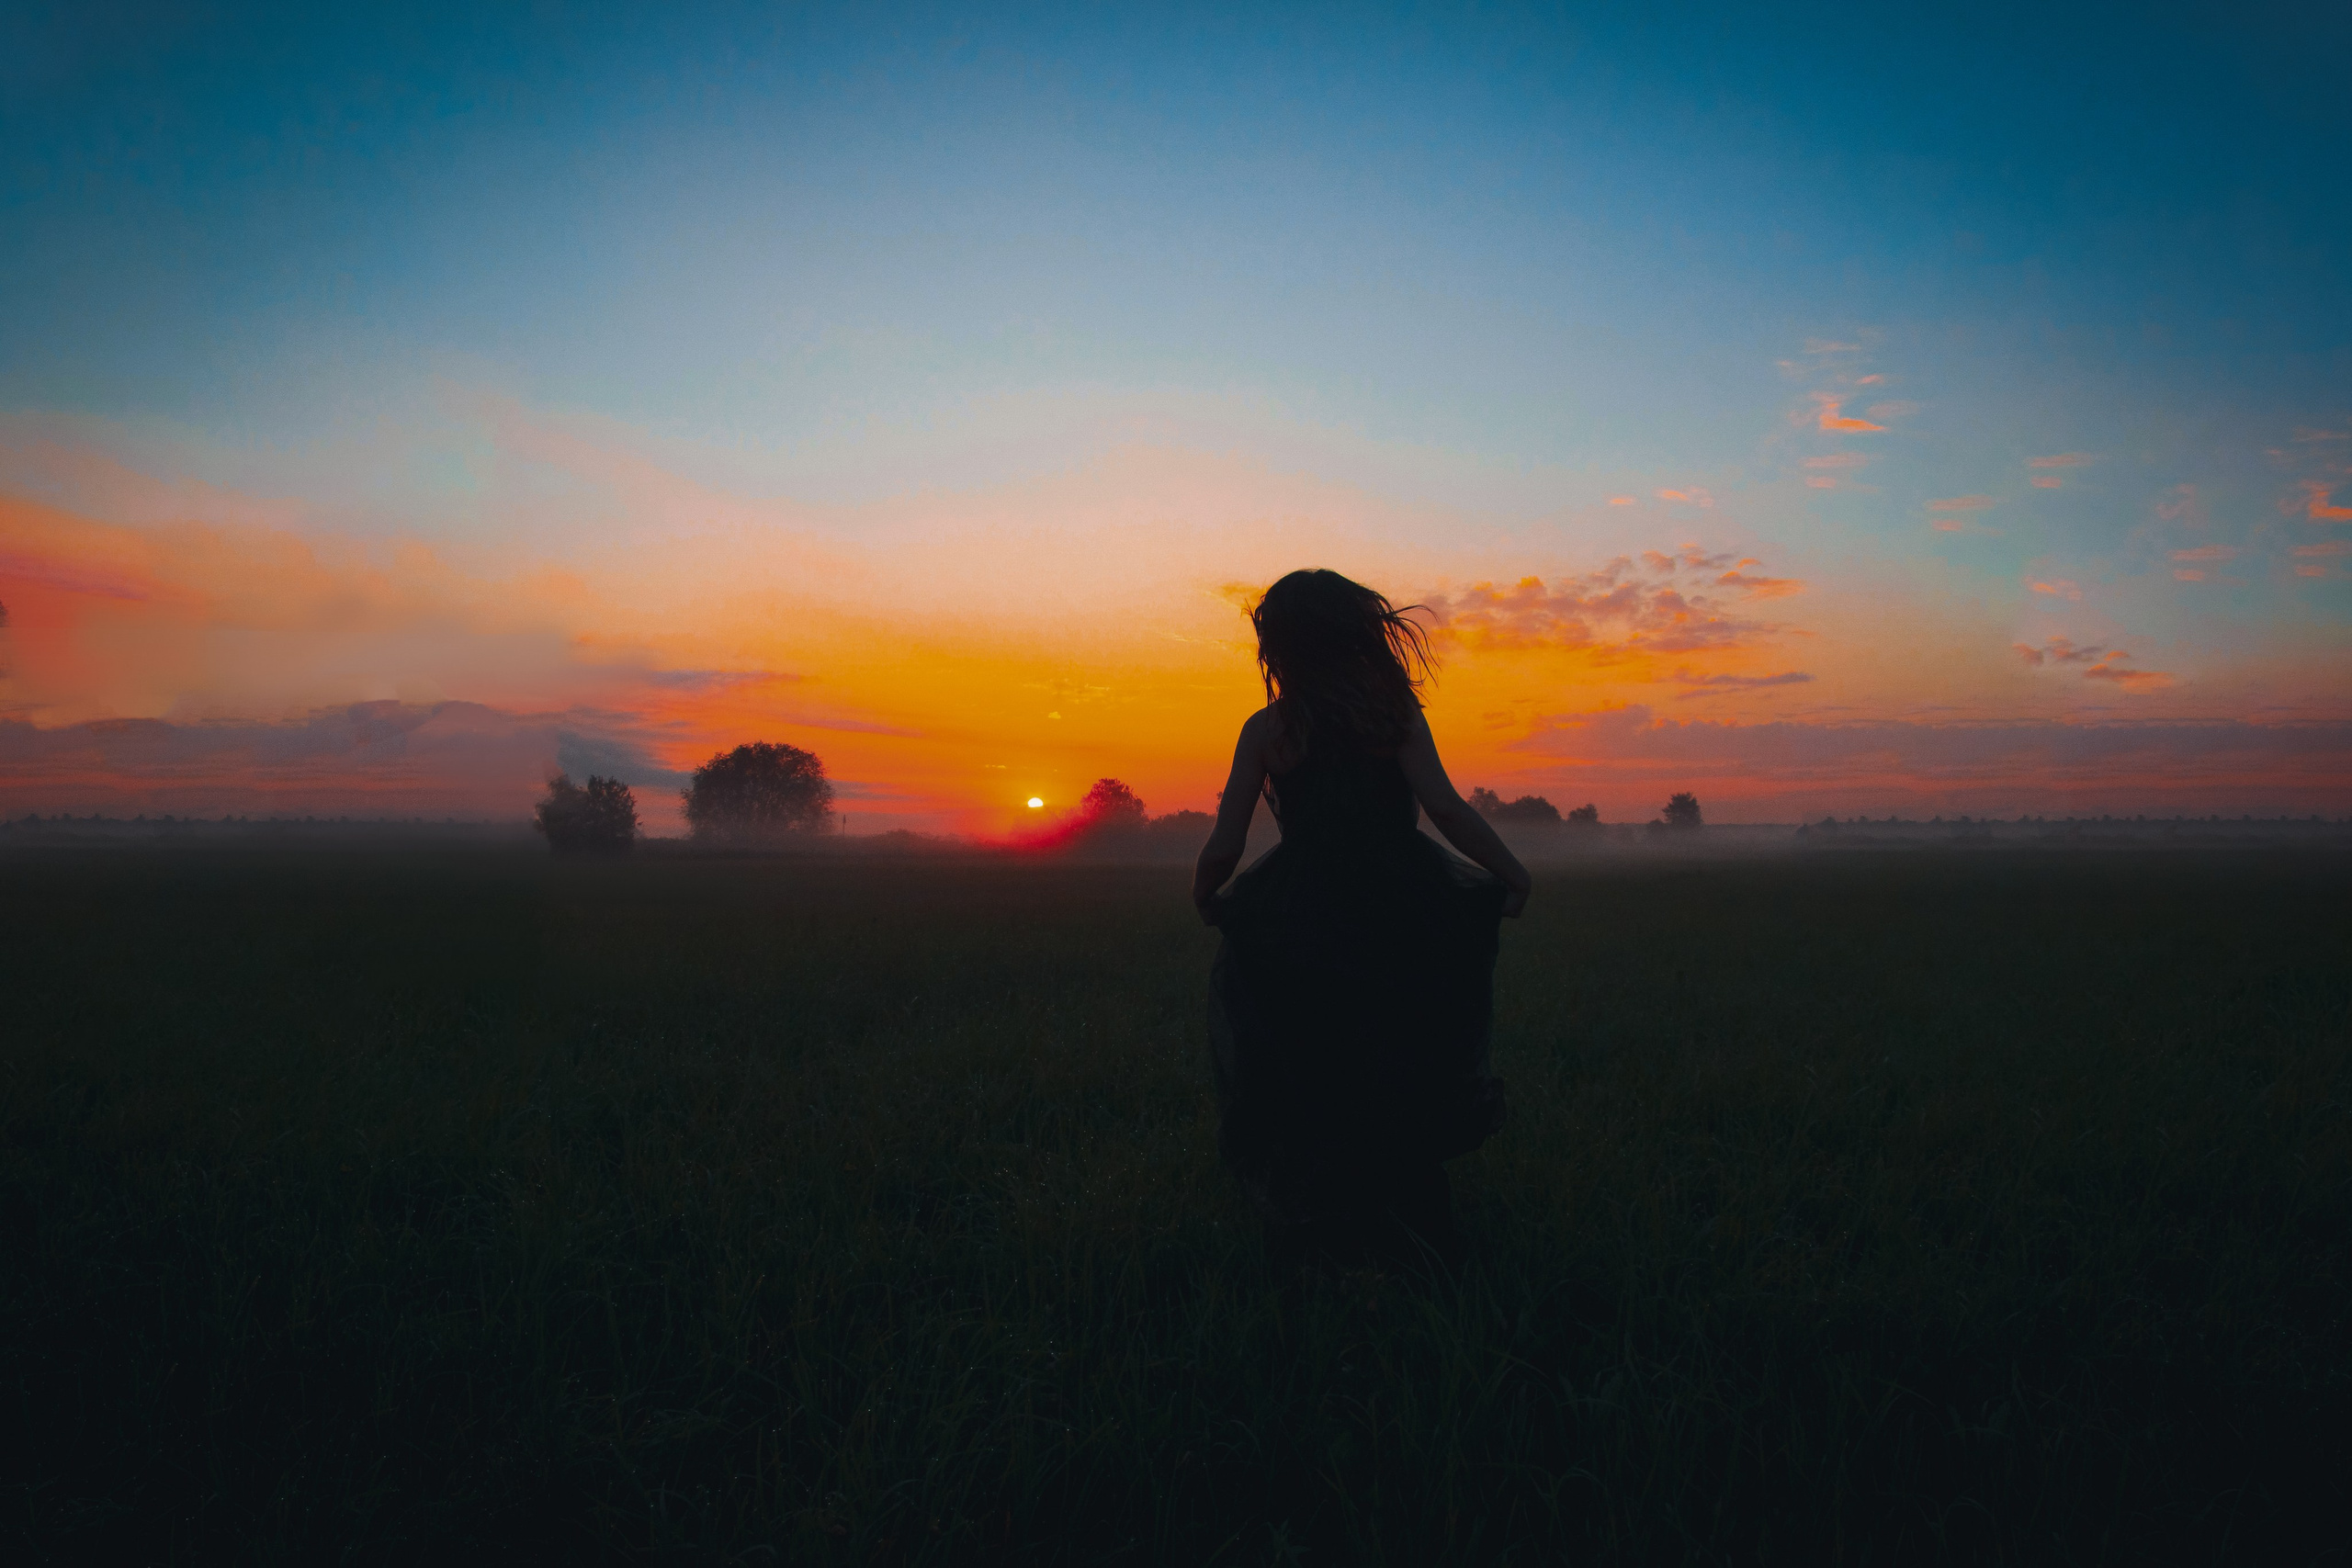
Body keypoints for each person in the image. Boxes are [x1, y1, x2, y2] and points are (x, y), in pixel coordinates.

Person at [1193, 569, 1532, 1269]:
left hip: (1298, 914)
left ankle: (1321, 1234)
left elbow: (1227, 839)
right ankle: (1416, 1233)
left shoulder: (1268, 728)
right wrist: (1511, 871)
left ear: (1280, 645)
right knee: (1400, 1057)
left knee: (1308, 1066)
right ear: (1358, 633)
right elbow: (1446, 809)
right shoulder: (1393, 714)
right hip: (1401, 906)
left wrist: (1207, 892)